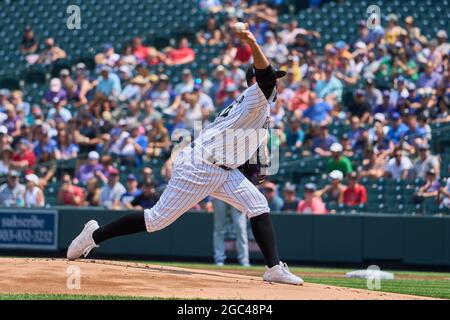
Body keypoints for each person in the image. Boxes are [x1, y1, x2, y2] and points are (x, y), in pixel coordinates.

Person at [67, 25, 303, 285]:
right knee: (156, 220)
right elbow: (264, 75)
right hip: (201, 167)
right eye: (272, 78)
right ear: (255, 81)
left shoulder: (253, 106)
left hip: (224, 170)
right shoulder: (257, 96)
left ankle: (273, 268)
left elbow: (238, 137)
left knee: (258, 206)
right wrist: (250, 40)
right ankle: (94, 236)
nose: (276, 83)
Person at [212, 198, 250, 267]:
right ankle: (219, 259)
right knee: (219, 229)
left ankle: (244, 260)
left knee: (240, 228)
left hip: (236, 197)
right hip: (219, 195)